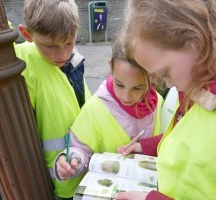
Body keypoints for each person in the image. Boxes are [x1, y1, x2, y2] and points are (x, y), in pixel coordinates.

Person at [115, 0, 216, 200]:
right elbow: (197, 140)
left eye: (165, 72)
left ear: (196, 39)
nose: (167, 85)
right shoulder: (200, 84)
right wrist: (148, 146)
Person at [54, 39, 163, 182]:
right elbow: (80, 148)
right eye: (120, 84)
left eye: (137, 88)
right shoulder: (95, 108)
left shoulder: (158, 102)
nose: (126, 96)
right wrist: (72, 160)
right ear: (111, 67)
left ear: (154, 76)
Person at [14, 0, 91, 199]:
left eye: (69, 42)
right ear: (27, 34)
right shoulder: (21, 64)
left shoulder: (74, 60)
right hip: (51, 180)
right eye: (50, 45)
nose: (62, 54)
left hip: (82, 165)